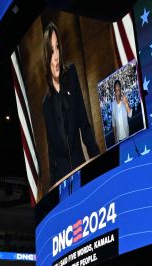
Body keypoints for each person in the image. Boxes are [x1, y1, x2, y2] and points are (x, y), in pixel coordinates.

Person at [39, 21, 99, 189]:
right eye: (51, 50)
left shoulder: (71, 74)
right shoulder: (46, 104)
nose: (56, 55)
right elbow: (52, 151)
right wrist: (52, 187)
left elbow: (83, 121)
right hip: (62, 179)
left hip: (80, 167)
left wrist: (96, 158)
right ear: (46, 56)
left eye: (57, 47)